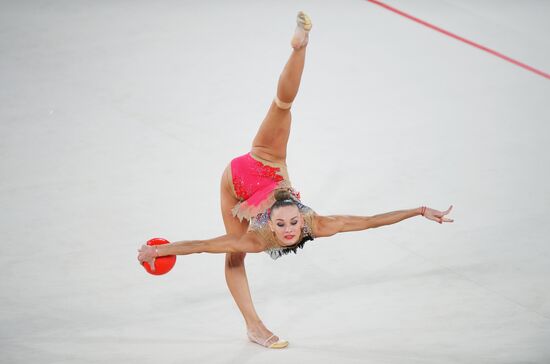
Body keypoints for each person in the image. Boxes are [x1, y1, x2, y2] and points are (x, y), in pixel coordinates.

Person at [137, 11, 454, 349]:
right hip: (263, 163)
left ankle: (254, 327)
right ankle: (300, 47)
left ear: (299, 217)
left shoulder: (290, 228)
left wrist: (420, 210)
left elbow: (370, 222)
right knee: (283, 107)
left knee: (235, 252)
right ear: (270, 224)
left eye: (291, 223)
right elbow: (203, 246)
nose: (289, 229)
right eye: (286, 225)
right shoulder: (274, 233)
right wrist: (158, 250)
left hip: (243, 183)